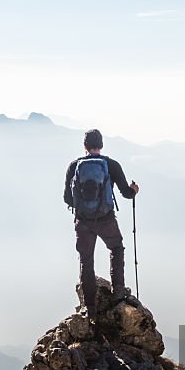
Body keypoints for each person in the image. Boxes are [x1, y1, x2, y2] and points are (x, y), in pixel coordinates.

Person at [64, 128, 139, 318]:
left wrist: (83, 206)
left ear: (85, 146)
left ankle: (90, 308)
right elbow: (126, 193)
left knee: (86, 261)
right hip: (106, 220)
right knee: (116, 249)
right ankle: (118, 293)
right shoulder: (111, 165)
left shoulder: (74, 166)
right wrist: (134, 189)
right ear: (101, 145)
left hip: (83, 223)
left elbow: (67, 198)